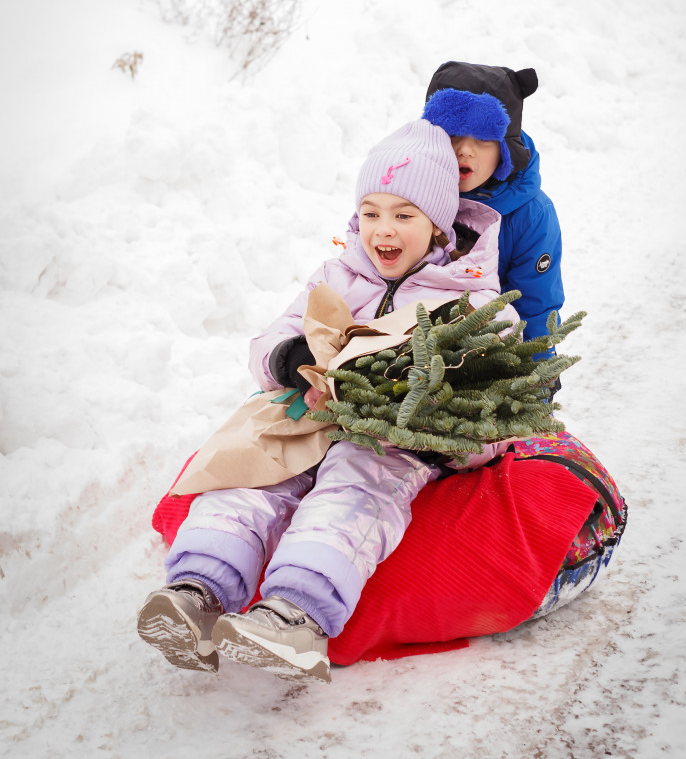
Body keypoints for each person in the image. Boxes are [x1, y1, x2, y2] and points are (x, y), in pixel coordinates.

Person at [137, 119, 518, 683]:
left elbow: (495, 411)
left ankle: (295, 615)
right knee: (256, 470)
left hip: (393, 438)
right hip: (313, 415)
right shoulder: (338, 274)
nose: (383, 230)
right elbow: (271, 338)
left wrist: (431, 417)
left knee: (356, 486)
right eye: (371, 213)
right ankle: (196, 591)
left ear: (439, 224)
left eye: (404, 215)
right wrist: (293, 360)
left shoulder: (475, 304)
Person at [422, 61, 564, 349]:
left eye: (484, 138)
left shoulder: (531, 215)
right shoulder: (410, 195)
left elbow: (534, 306)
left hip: (497, 353)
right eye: (452, 135)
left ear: (505, 149)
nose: (464, 149)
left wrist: (534, 378)